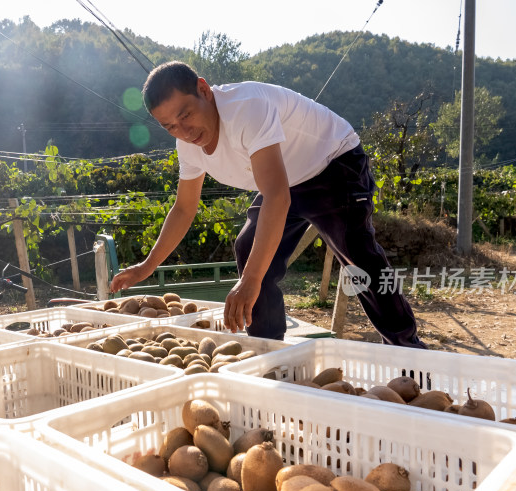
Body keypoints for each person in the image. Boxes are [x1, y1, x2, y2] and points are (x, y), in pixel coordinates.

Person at [110, 61, 425, 347]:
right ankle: (268, 347)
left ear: (203, 90)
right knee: (249, 248)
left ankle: (407, 349)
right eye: (170, 126)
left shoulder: (247, 109)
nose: (184, 131)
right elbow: (183, 208)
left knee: (359, 260)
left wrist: (249, 282)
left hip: (332, 164)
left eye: (186, 115)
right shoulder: (188, 146)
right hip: (286, 178)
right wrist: (147, 266)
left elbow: (276, 196)